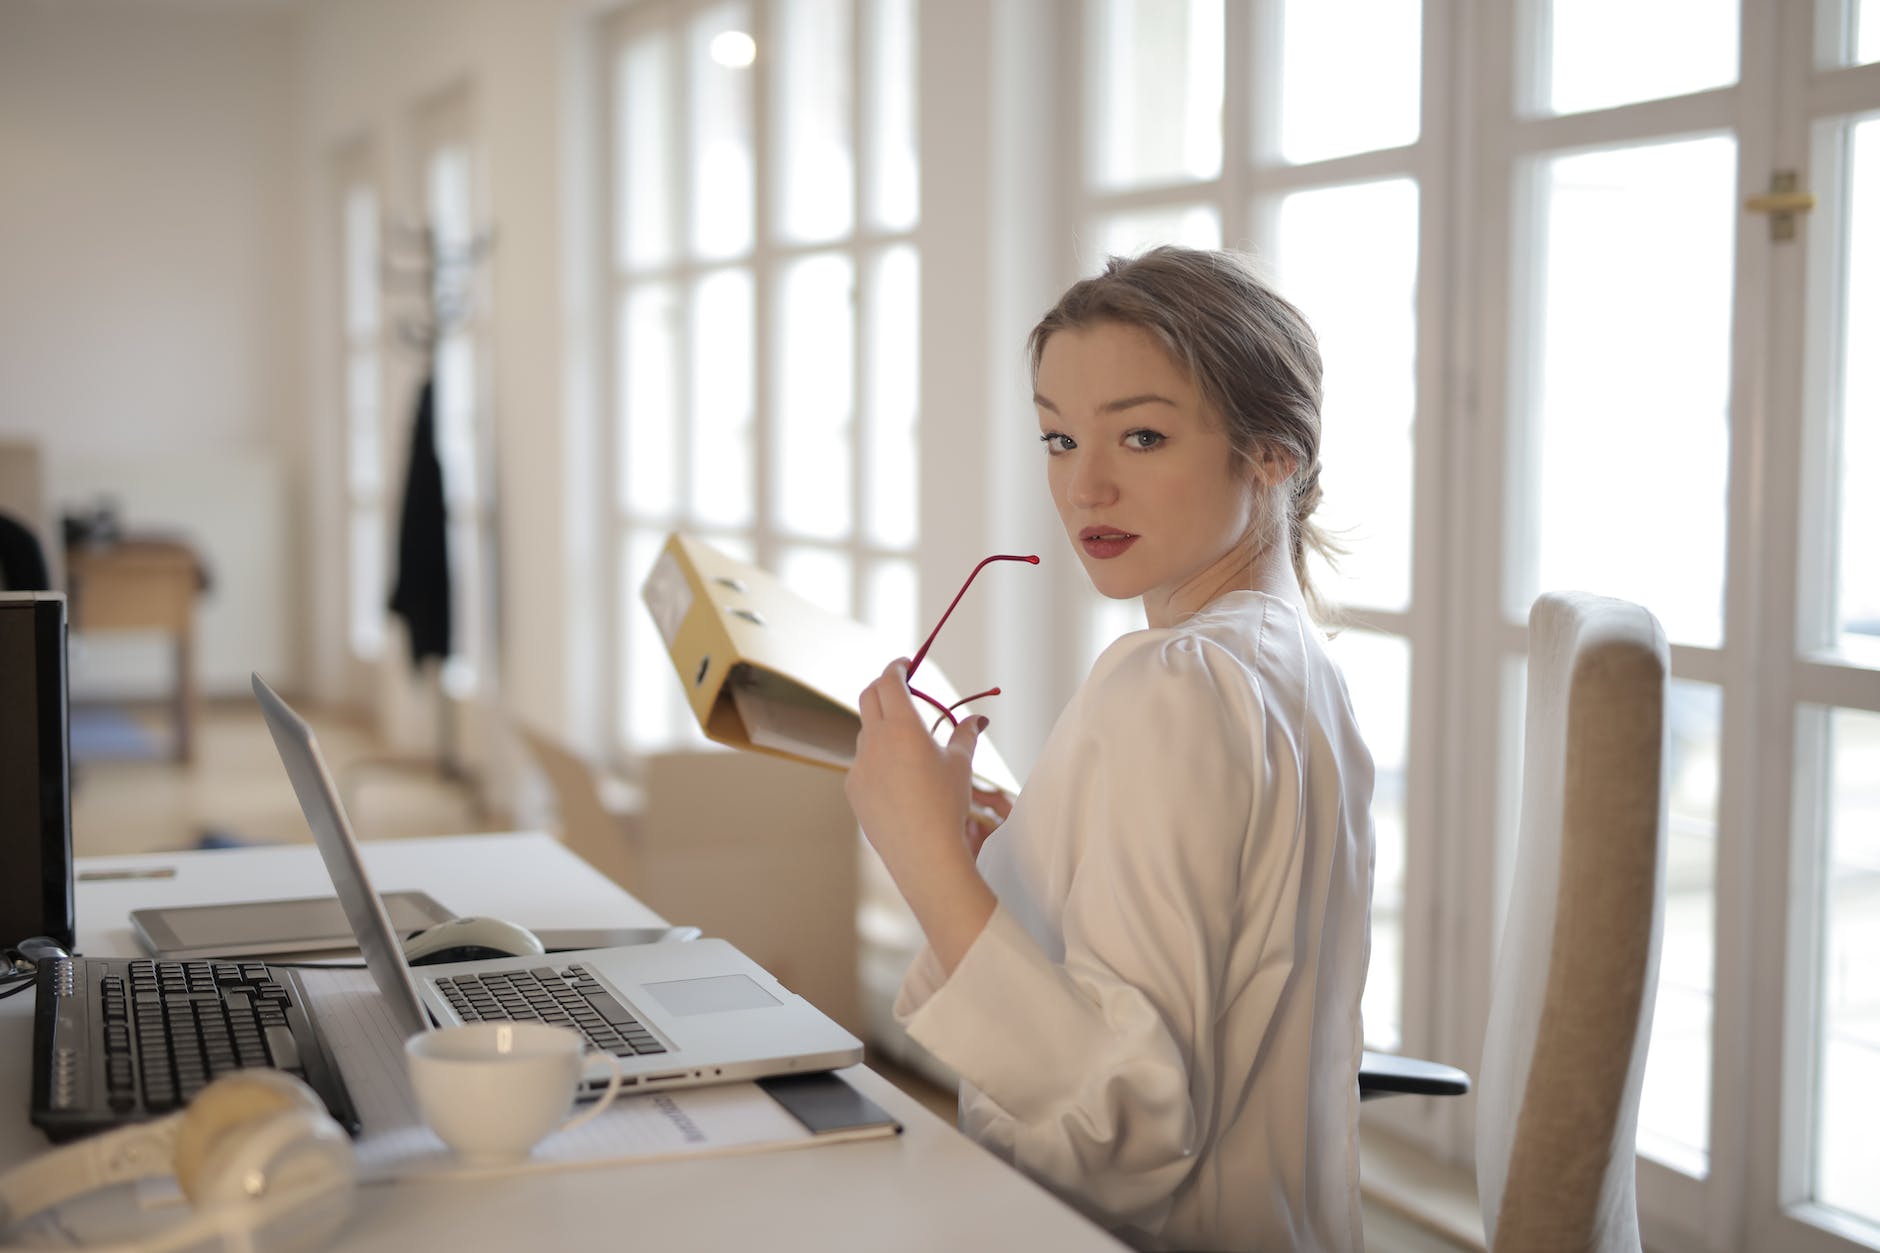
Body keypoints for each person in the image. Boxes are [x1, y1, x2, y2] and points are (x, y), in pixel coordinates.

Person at [844, 246, 1376, 1252]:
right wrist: (1012, 865)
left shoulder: (1170, 682)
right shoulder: (1304, 669)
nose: (1083, 485)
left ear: (1272, 452)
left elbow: (1118, 1122)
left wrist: (917, 854)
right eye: (1055, 437)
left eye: (1139, 435)